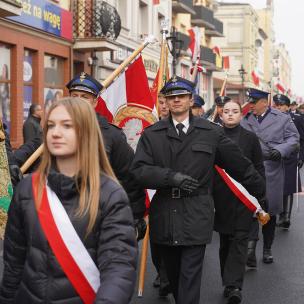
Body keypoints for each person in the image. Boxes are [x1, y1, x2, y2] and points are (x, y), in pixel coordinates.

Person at [131, 76, 266, 304]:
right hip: (164, 212)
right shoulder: (152, 134)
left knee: (190, 278)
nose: (176, 101)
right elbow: (139, 171)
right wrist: (171, 177)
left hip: (197, 212)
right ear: (165, 101)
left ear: (190, 99)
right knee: (173, 276)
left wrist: (260, 189)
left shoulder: (210, 132)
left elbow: (238, 164)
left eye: (181, 96)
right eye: (171, 97)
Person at [0, 97, 137, 304]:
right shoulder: (28, 190)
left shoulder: (110, 195)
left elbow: (118, 268)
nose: (55, 132)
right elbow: (13, 264)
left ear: (86, 133)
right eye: (51, 125)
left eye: (67, 126)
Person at [66, 72, 146, 240]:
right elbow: (30, 151)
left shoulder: (112, 136)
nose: (79, 100)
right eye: (75, 96)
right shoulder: (55, 128)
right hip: (63, 215)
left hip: (99, 217)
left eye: (85, 97)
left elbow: (130, 177)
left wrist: (135, 216)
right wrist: (13, 165)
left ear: (95, 102)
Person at [213, 100, 265, 304]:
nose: (231, 115)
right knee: (225, 242)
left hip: (246, 197)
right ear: (220, 115)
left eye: (235, 111)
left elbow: (258, 167)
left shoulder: (250, 138)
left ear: (241, 115)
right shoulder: (213, 137)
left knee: (240, 240)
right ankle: (228, 280)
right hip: (221, 196)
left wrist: (262, 194)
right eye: (226, 112)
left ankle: (235, 286)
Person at [241, 88, 299, 264]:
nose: (250, 105)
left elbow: (294, 139)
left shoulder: (281, 118)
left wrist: (280, 151)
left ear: (264, 103)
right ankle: (250, 249)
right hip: (250, 171)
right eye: (249, 102)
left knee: (270, 212)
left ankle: (267, 249)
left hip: (272, 169)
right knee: (251, 207)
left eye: (253, 102)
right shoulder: (245, 120)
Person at [273, 94, 304, 229]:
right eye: (276, 105)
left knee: (289, 186)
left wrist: (301, 156)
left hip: (290, 157)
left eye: (280, 105)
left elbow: (302, 139)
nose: (278, 108)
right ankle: (278, 213)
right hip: (274, 157)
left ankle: (286, 217)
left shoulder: (296, 119)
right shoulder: (271, 119)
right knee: (276, 186)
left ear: (287, 106)